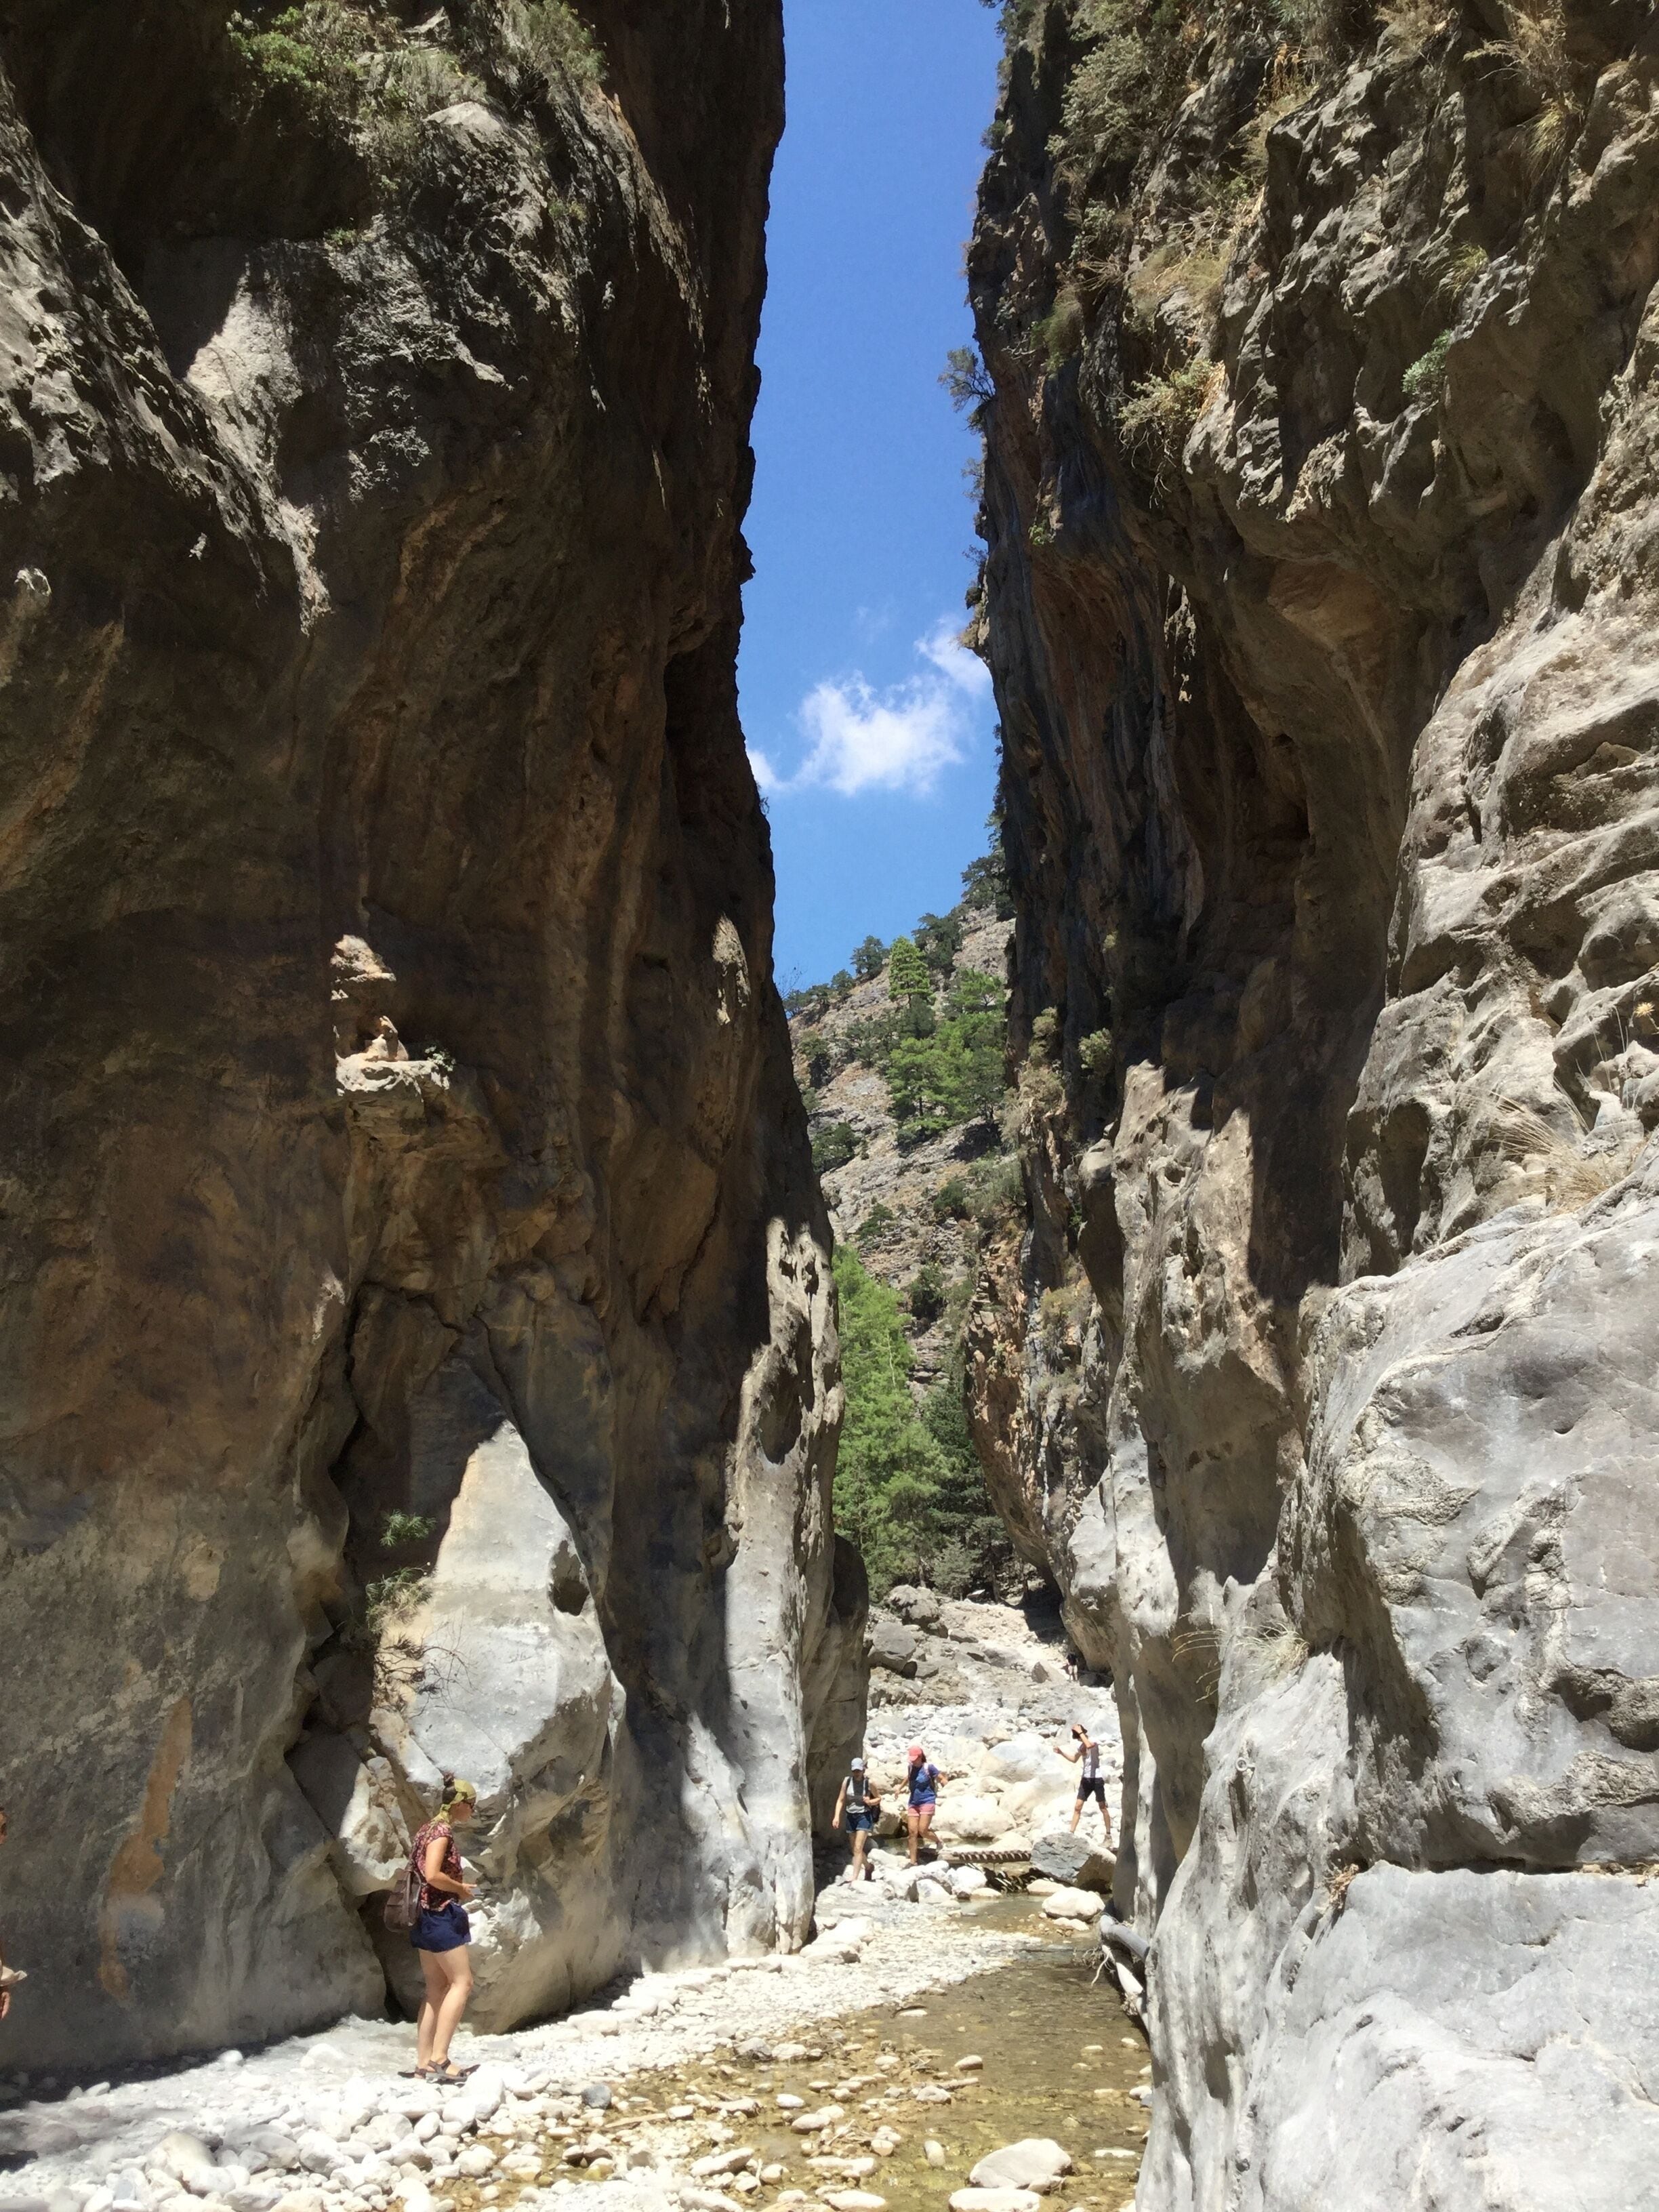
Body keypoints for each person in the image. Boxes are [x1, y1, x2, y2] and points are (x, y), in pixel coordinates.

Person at [407, 1775, 479, 2081]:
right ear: (460, 1804)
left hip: (421, 1916)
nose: (472, 1812)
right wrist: (460, 1888)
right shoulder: (441, 1832)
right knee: (462, 1983)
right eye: (471, 1806)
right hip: (439, 1914)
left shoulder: (425, 1829)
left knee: (435, 1987)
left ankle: (423, 2063)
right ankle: (440, 2058)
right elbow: (433, 1874)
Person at [1054, 1722, 1112, 1839]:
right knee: (1078, 1806)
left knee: (1102, 1807)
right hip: (1086, 1779)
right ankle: (1071, 1833)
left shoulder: (1093, 1742)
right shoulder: (1081, 1746)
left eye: (1079, 1736)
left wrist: (1080, 1731)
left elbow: (1089, 1745)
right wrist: (1061, 1753)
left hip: (1096, 1779)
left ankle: (1108, 1834)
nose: (1079, 1739)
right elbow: (1074, 1759)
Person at [834, 1757, 881, 1881]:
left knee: (858, 1848)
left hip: (864, 1816)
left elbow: (879, 1798)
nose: (857, 1773)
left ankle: (854, 1878)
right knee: (854, 1848)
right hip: (850, 1816)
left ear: (863, 1770)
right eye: (855, 1771)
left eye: (859, 1771)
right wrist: (836, 1816)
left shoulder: (869, 1783)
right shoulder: (847, 1781)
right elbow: (841, 1800)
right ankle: (868, 1866)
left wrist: (870, 1801)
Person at [905, 1744, 945, 1864]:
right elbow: (908, 1778)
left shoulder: (929, 1768)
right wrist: (899, 1788)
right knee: (912, 1832)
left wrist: (944, 1781)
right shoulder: (910, 1768)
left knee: (923, 1830)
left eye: (915, 1758)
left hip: (927, 1800)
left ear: (920, 1756)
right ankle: (913, 1862)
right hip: (913, 1802)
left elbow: (940, 1777)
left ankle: (938, 1841)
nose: (913, 1761)